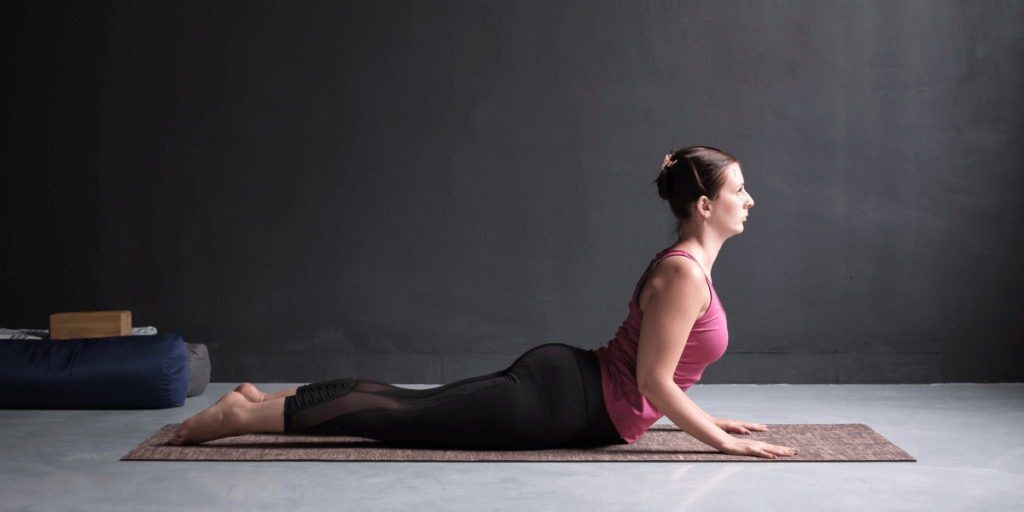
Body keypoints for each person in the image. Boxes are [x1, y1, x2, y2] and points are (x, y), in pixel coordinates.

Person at [170, 146, 798, 459]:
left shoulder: (692, 271)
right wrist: (721, 441)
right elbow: (654, 382)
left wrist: (712, 419)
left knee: (405, 405)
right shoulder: (685, 275)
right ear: (706, 206)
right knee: (401, 416)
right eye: (740, 190)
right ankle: (241, 420)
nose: (750, 200)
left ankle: (257, 401)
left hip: (574, 388)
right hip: (564, 396)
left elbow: (660, 370)